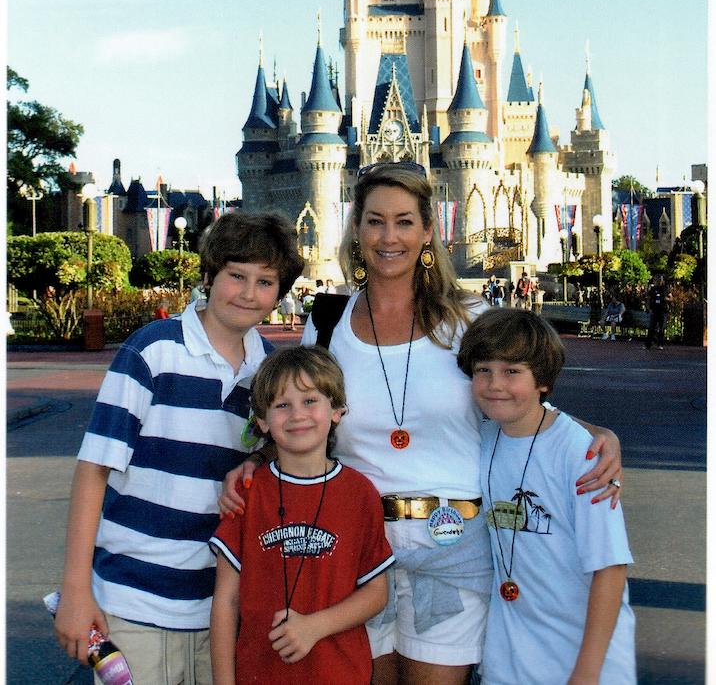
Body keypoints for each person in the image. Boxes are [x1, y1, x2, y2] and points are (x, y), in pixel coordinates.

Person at [220, 162, 622, 685]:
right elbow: (300, 412)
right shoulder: (328, 324)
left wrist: (594, 433)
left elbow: (518, 403)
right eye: (375, 221)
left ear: (428, 231)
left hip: (452, 546)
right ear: (356, 229)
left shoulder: (469, 319)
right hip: (353, 548)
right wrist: (257, 460)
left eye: (404, 222)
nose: (389, 237)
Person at [53, 211, 304, 684]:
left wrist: (256, 458)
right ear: (208, 276)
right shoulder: (154, 351)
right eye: (236, 276)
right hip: (134, 603)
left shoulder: (269, 371)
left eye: (265, 282)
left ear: (279, 293)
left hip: (219, 609)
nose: (249, 293)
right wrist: (75, 590)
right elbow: (94, 468)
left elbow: (280, 451)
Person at [457, 309, 636, 684]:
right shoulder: (481, 439)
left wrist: (587, 672)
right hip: (509, 662)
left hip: (583, 661)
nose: (494, 384)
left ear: (542, 379)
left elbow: (610, 569)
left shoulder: (583, 454)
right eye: (483, 369)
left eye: (512, 371)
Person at [210, 346, 394, 684]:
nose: (297, 415)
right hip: (260, 674)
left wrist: (315, 626)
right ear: (262, 420)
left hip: (339, 674)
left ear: (336, 410)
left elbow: (376, 592)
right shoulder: (247, 494)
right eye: (282, 405)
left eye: (310, 401)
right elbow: (226, 600)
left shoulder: (359, 493)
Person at [645, 274, 668, 350]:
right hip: (654, 310)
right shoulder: (653, 289)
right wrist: (648, 308)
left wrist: (665, 299)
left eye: (660, 280)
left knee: (661, 328)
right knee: (651, 327)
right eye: (656, 280)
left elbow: (670, 297)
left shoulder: (665, 289)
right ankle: (648, 344)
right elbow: (648, 298)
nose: (658, 282)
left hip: (662, 310)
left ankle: (660, 344)